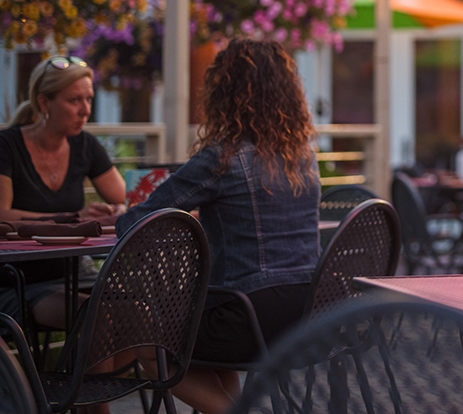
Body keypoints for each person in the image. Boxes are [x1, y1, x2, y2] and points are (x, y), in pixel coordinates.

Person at [116, 39, 321, 414]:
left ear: (223, 93)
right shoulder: (302, 156)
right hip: (311, 311)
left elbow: (140, 222)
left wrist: (118, 214)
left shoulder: (223, 159)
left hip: (250, 312)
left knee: (154, 344)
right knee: (204, 345)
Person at [0, 55, 125, 327]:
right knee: (103, 316)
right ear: (44, 102)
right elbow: (2, 215)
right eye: (74, 100)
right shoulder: (7, 146)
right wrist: (71, 217)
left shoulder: (84, 145)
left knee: (136, 310)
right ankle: (82, 372)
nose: (86, 111)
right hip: (19, 280)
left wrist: (117, 210)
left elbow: (122, 197)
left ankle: (86, 371)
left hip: (76, 272)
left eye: (89, 99)